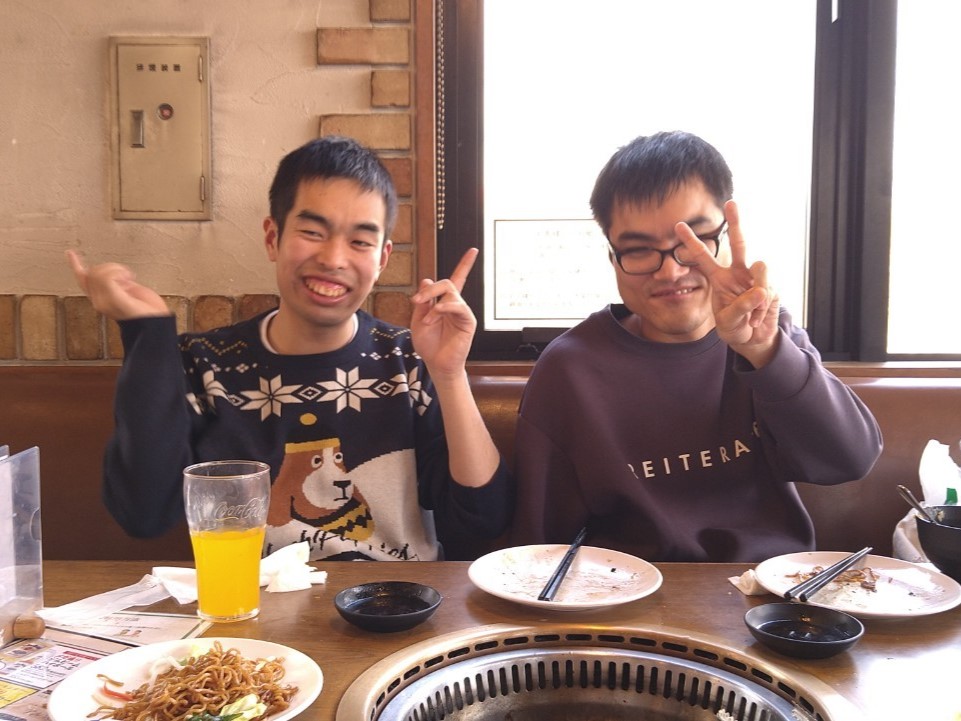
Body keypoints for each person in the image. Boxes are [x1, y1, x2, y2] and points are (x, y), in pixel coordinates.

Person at [68, 135, 512, 561]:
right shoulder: (204, 366)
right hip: (250, 604)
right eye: (313, 231)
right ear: (272, 238)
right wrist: (148, 335)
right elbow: (144, 513)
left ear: (381, 259)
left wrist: (449, 374)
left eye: (360, 241)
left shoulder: (409, 361)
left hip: (396, 603)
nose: (334, 259)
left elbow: (482, 520)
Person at [510, 130, 882, 563]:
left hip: (768, 588)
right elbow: (538, 540)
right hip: (623, 591)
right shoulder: (571, 368)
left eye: (692, 242)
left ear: (726, 236)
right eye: (638, 249)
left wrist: (765, 351)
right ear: (612, 257)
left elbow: (850, 460)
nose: (670, 273)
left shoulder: (768, 335)